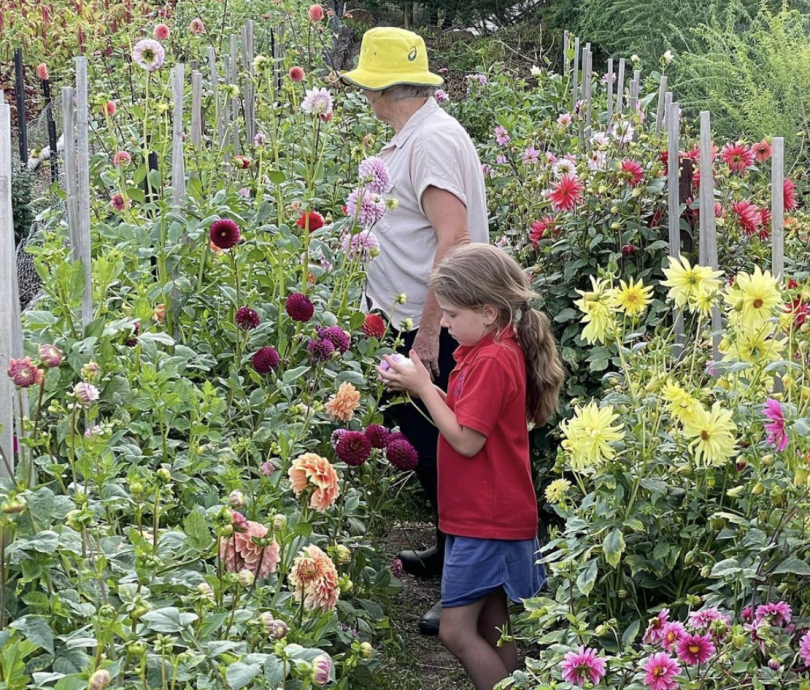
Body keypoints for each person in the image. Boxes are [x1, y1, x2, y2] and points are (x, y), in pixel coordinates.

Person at [341, 28, 489, 634]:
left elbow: (452, 242)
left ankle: (463, 587)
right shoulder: (419, 135)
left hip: (432, 325)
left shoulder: (429, 142)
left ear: (380, 88)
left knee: (439, 450)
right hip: (413, 319)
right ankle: (448, 551)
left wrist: (427, 339)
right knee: (430, 449)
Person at [378, 243, 565, 690]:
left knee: (455, 630)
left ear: (487, 311)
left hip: (489, 520)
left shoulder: (494, 359)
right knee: (492, 624)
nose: (442, 323)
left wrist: (424, 387)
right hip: (483, 516)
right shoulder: (488, 349)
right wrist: (419, 385)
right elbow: (465, 417)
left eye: (450, 314)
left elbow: (466, 440)